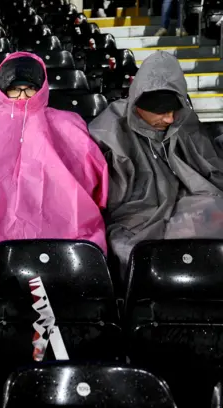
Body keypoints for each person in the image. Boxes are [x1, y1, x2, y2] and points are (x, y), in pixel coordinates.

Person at [0, 52, 108, 291]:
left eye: (29, 89)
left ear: (42, 88)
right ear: (1, 90)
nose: (23, 97)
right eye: (15, 90)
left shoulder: (69, 125)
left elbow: (95, 177)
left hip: (63, 242)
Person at [89, 51, 223, 273]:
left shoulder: (182, 118)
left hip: (184, 204)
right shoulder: (109, 132)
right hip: (137, 219)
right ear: (139, 105)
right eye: (161, 112)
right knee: (135, 253)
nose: (170, 119)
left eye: (174, 110)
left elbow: (208, 164)